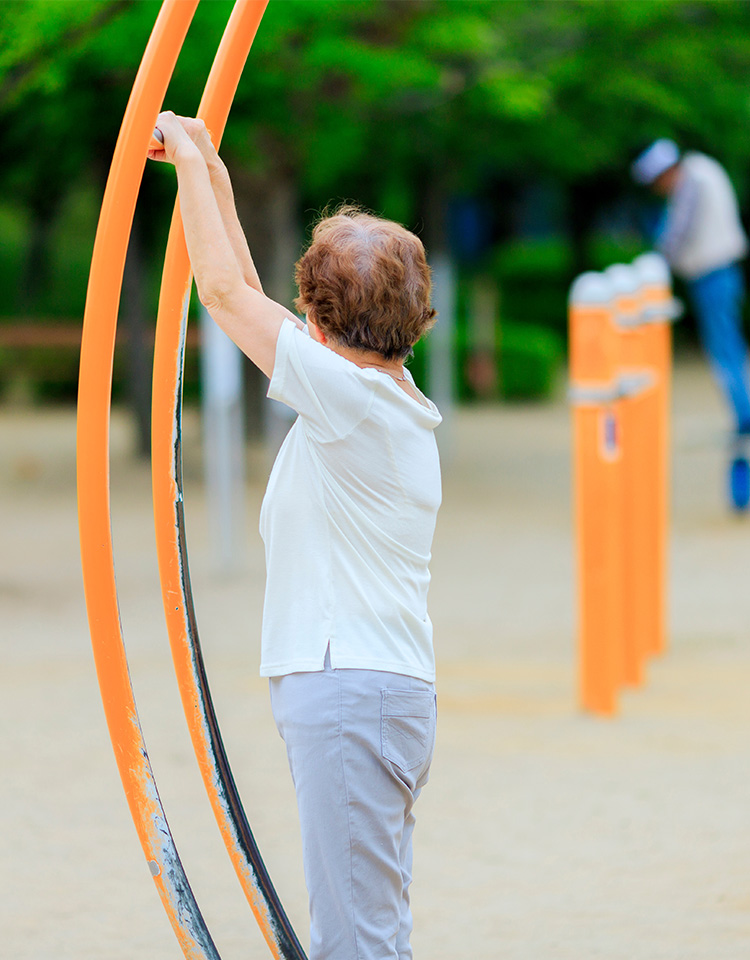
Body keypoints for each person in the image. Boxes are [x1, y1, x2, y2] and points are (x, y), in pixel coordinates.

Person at [149, 112, 442, 960]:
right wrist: (207, 167)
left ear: (315, 327)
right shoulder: (377, 393)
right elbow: (243, 285)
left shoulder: (348, 404)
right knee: (360, 931)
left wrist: (191, 171)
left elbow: (229, 297)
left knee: (355, 943)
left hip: (353, 689)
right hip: (367, 688)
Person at [631, 138, 750, 508]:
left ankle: (744, 419)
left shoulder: (693, 180)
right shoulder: (703, 170)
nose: (661, 190)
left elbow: (676, 233)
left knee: (726, 357)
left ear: (668, 172)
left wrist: (650, 271)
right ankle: (742, 420)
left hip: (713, 276)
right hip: (720, 275)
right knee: (731, 354)